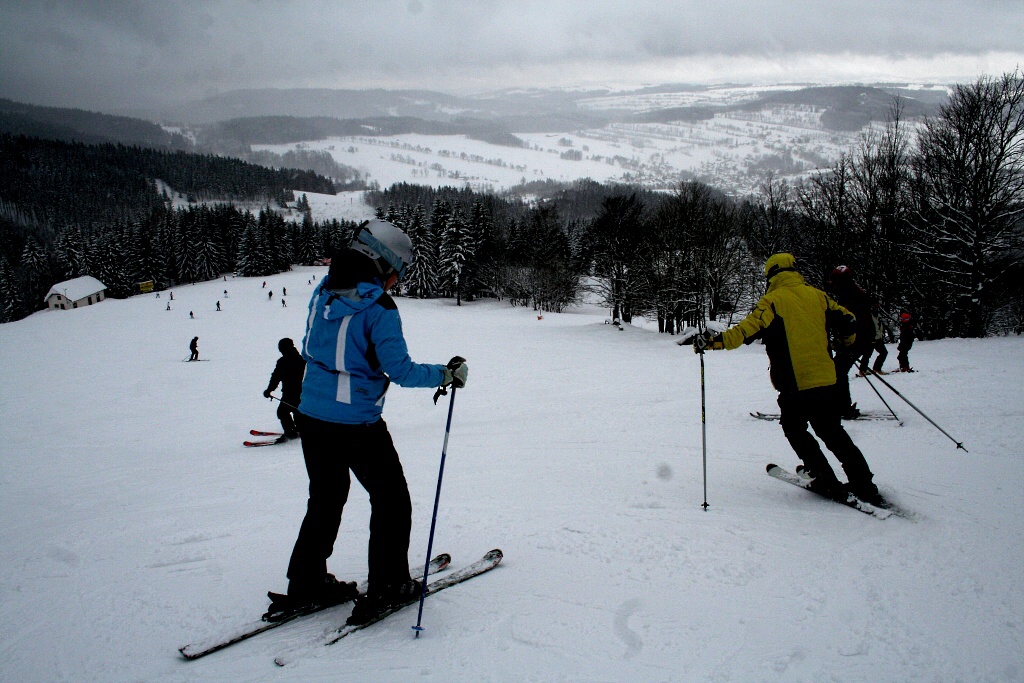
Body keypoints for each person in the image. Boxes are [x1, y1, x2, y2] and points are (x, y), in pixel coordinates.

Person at [275, 219, 468, 625]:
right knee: (392, 501)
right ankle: (388, 585)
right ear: (383, 263)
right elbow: (399, 369)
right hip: (356, 424)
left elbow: (316, 348)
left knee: (326, 499)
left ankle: (306, 582)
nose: (396, 283)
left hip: (311, 416)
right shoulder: (379, 307)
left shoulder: (323, 290)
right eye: (397, 273)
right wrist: (445, 374)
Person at [693, 253, 882, 505]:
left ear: (770, 275)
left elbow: (741, 333)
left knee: (794, 428)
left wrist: (712, 342)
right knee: (832, 431)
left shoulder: (771, 302)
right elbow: (849, 320)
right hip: (827, 380)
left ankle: (824, 477)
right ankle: (864, 483)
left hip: (795, 384)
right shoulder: (819, 296)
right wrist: (845, 344)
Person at [827, 265, 875, 419]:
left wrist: (846, 340)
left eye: (834, 281)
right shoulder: (851, 292)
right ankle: (841, 406)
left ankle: (843, 408)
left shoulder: (850, 295)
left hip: (858, 340)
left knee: (838, 372)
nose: (831, 284)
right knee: (837, 371)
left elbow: (851, 321)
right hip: (860, 339)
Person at [264, 338, 305, 440]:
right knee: (297, 411)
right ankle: (300, 429)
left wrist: (269, 390)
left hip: (290, 393)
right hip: (303, 393)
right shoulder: (302, 360)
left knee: (282, 412)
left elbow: (276, 377)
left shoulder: (283, 362)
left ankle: (291, 432)